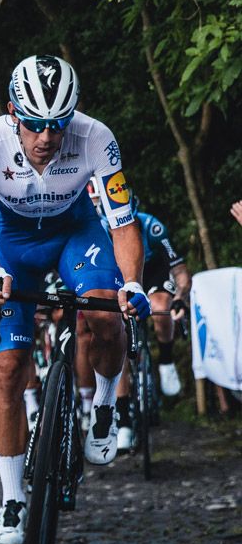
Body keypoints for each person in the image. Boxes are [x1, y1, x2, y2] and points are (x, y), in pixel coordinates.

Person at [0, 54, 149, 544]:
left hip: (73, 230)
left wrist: (132, 283)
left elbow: (124, 223)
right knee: (8, 368)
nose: (46, 137)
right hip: (10, 244)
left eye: (58, 125)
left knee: (107, 312)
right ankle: (12, 500)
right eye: (35, 124)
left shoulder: (97, 138)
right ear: (11, 113)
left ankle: (105, 406)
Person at [86, 189, 192, 449]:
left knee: (160, 305)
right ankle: (122, 420)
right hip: (118, 273)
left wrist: (180, 297)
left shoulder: (152, 227)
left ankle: (165, 359)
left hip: (153, 270)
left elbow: (180, 272)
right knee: (116, 340)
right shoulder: (98, 229)